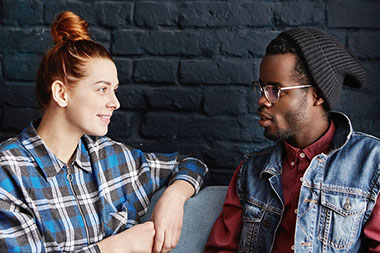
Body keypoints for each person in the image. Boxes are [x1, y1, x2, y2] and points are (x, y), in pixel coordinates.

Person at [0, 11, 208, 253]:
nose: (115, 102)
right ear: (61, 94)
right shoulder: (9, 173)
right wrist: (118, 247)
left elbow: (191, 165)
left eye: (115, 89)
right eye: (102, 89)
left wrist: (174, 197)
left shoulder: (110, 156)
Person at [205, 28, 379, 252]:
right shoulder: (252, 170)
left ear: (317, 95)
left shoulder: (372, 164)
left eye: (275, 90)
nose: (262, 100)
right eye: (262, 88)